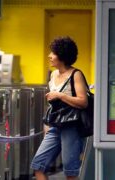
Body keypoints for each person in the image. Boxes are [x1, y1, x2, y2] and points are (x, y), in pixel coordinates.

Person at [30, 36, 88, 180]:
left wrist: (60, 95)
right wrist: (47, 124)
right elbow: (52, 103)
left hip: (71, 126)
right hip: (55, 125)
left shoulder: (76, 75)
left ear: (62, 56)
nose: (49, 56)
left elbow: (83, 102)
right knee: (38, 165)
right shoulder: (53, 75)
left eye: (53, 53)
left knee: (70, 171)